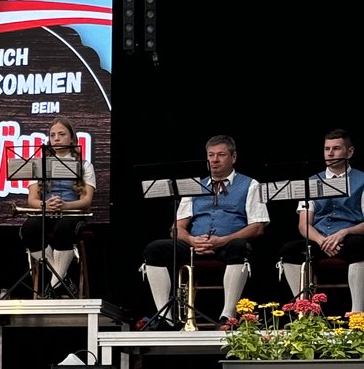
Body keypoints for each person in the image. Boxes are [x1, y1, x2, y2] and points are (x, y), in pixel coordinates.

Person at [140, 134, 268, 327]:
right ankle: (165, 318)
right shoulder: (194, 186)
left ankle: (227, 316)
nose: (214, 160)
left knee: (239, 247)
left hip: (228, 244)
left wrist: (222, 240)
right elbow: (177, 228)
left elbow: (257, 227)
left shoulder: (251, 185)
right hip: (195, 245)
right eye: (211, 155)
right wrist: (192, 240)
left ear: (233, 157)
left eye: (221, 155)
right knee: (154, 250)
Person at [278, 128, 364, 313]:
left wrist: (344, 232)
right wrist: (321, 241)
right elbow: (303, 224)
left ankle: (358, 313)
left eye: (336, 148)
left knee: (360, 246)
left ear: (350, 152)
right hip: (321, 240)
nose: (330, 153)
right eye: (327, 149)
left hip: (349, 239)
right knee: (289, 250)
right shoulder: (311, 182)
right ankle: (304, 310)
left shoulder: (362, 180)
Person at [18, 117, 95, 294]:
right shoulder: (39, 164)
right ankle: (62, 279)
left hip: (72, 214)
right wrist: (45, 204)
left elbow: (86, 201)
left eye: (61, 134)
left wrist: (65, 206)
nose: (56, 139)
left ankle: (53, 287)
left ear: (72, 138)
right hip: (46, 212)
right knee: (29, 228)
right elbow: (32, 200)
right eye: (52, 135)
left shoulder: (84, 165)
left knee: (63, 228)